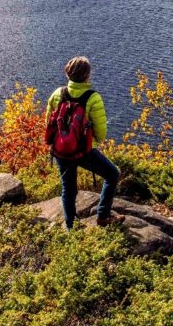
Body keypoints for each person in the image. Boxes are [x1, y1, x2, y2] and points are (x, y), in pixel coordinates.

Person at [46, 56, 124, 229]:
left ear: (67, 74)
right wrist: (93, 141)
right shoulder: (93, 98)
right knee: (112, 175)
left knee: (68, 189)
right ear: (88, 75)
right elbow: (101, 132)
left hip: (61, 151)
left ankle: (71, 227)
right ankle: (103, 216)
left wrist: (56, 143)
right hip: (84, 151)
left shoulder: (57, 94)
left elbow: (48, 123)